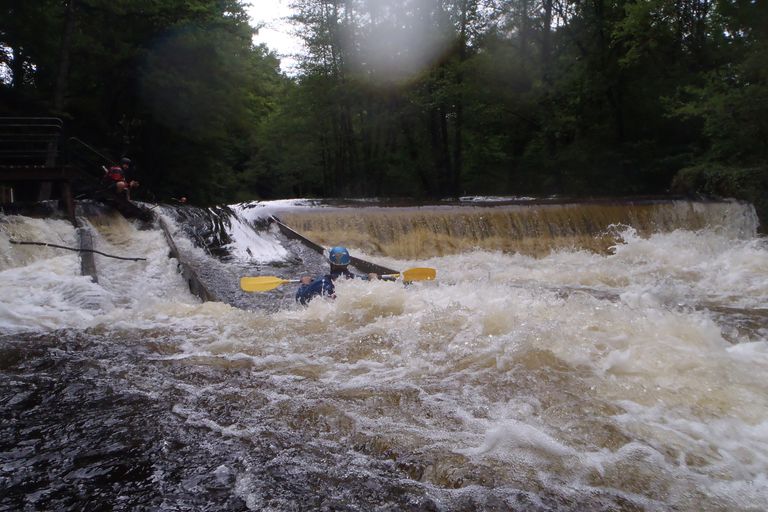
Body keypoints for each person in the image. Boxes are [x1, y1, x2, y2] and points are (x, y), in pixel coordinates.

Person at [295, 246, 379, 305]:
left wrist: (305, 284)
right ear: (348, 263)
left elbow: (301, 300)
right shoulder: (357, 280)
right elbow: (373, 288)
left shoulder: (321, 282)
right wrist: (373, 278)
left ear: (331, 263)